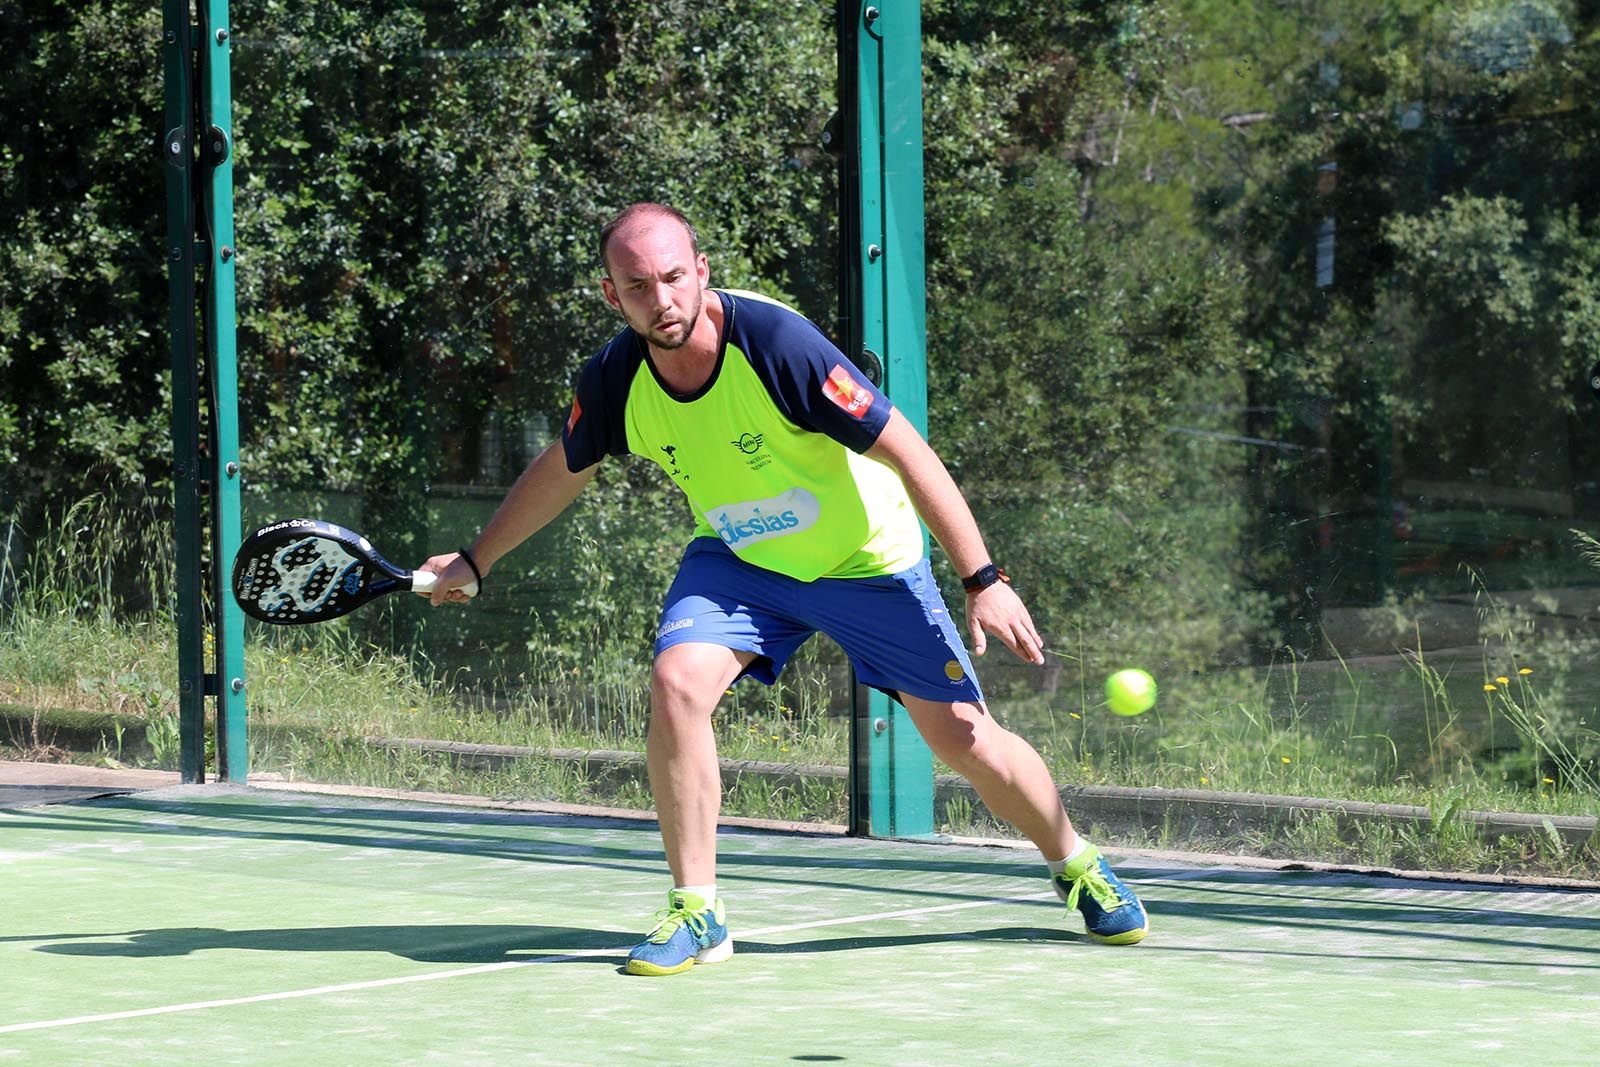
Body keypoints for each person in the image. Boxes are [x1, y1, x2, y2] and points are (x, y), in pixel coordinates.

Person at [417, 202, 1148, 976]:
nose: (661, 299)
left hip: (866, 560)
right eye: (637, 287)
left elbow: (907, 449)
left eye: (673, 276)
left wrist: (983, 578)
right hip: (743, 560)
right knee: (676, 682)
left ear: (701, 271)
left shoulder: (775, 345)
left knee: (964, 740)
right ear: (612, 295)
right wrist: (476, 558)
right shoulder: (613, 378)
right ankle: (697, 910)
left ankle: (1076, 863)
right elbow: (566, 464)